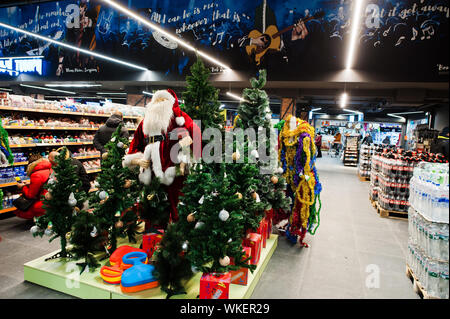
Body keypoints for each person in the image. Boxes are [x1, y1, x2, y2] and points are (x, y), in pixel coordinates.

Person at [14, 153, 52, 220]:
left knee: (22, 207)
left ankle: (39, 221)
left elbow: (30, 195)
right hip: (51, 199)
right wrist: (29, 184)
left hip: (44, 201)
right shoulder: (49, 169)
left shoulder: (36, 174)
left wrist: (22, 187)